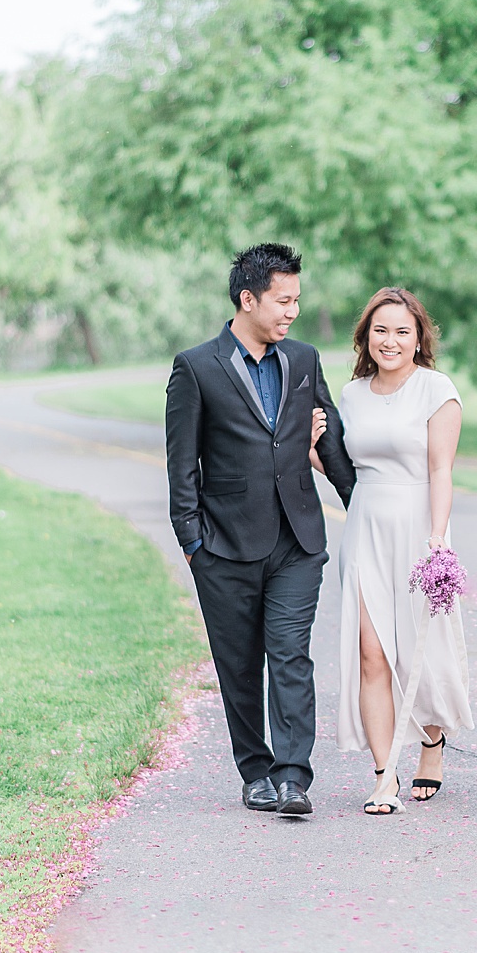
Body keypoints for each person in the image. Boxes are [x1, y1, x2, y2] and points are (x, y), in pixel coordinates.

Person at [165, 243, 354, 815]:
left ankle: (294, 776)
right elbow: (182, 467)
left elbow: (330, 443)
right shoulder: (196, 368)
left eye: (297, 298)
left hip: (297, 541)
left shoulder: (303, 359)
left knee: (290, 654)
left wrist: (362, 506)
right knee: (240, 664)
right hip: (224, 545)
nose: (292, 310)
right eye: (283, 299)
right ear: (248, 300)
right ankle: (255, 770)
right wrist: (194, 544)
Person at [314, 286, 471, 815]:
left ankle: (432, 743)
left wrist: (437, 539)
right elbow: (348, 469)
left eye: (402, 331)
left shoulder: (436, 390)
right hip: (365, 527)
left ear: (419, 337)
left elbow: (440, 470)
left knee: (418, 650)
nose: (391, 340)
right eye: (380, 330)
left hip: (419, 526)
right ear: (365, 336)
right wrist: (312, 449)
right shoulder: (352, 394)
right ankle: (384, 777)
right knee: (372, 653)